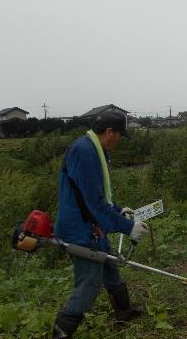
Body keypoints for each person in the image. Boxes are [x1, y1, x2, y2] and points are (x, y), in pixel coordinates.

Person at [52, 111, 148, 338]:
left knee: (110, 266)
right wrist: (128, 227)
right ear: (108, 132)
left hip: (93, 227)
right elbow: (94, 203)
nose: (120, 140)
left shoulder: (95, 149)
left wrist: (118, 211)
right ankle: (60, 334)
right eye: (119, 135)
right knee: (88, 285)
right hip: (80, 230)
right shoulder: (84, 153)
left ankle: (124, 312)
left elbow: (98, 196)